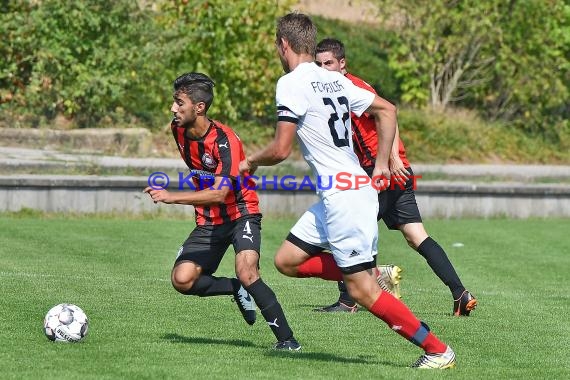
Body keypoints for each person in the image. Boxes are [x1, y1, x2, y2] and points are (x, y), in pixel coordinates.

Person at [239, 13, 456, 369]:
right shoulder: (333, 79)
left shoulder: (291, 82)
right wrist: (381, 164)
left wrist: (251, 162)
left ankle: (437, 350)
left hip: (346, 200)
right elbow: (388, 109)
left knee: (361, 292)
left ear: (284, 44)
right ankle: (371, 272)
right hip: (342, 193)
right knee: (286, 261)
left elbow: (280, 149)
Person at [314, 38, 478, 316]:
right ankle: (460, 294)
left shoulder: (351, 86)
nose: (323, 68)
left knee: (347, 230)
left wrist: (391, 159)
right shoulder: (334, 88)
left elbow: (387, 113)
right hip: (393, 170)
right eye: (318, 64)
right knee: (416, 236)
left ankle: (352, 298)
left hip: (380, 171)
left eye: (328, 63)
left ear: (342, 64)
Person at [144, 72, 300, 350]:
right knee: (182, 280)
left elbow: (219, 193)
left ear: (199, 107)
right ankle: (234, 288)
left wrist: (171, 197)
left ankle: (288, 341)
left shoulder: (225, 141)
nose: (173, 109)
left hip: (242, 213)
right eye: (173, 102)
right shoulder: (177, 129)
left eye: (179, 103)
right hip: (209, 220)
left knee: (247, 270)